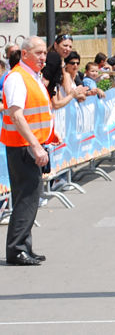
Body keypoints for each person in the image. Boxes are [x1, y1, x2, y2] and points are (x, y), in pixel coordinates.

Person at [2, 36, 53, 266]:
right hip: (23, 147)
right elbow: (16, 114)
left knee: (31, 198)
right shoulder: (17, 78)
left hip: (31, 145)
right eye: (38, 53)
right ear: (25, 54)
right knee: (26, 198)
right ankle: (17, 249)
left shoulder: (32, 76)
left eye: (44, 53)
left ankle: (24, 246)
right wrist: (34, 145)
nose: (43, 57)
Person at [41, 34, 87, 109]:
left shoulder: (60, 62)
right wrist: (72, 95)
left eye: (70, 47)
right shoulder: (53, 58)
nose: (68, 49)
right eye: (65, 45)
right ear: (56, 45)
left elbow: (65, 90)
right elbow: (45, 85)